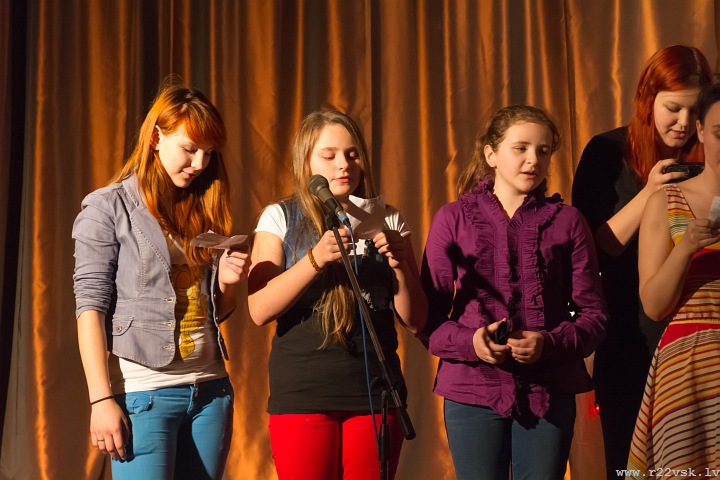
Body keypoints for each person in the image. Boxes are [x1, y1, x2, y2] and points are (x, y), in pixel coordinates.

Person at [72, 80, 250, 480]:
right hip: (144, 394)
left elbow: (217, 311)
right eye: (190, 149)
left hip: (211, 392)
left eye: (209, 153)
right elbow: (90, 309)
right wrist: (101, 399)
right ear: (156, 138)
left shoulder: (202, 209)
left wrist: (228, 282)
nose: (200, 163)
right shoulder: (108, 207)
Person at [422, 105, 608, 480]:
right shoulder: (453, 218)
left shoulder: (569, 221)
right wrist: (472, 342)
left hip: (549, 390)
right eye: (520, 148)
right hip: (471, 391)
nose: (533, 159)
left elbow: (594, 317)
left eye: (543, 150)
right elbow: (428, 320)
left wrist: (548, 343)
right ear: (491, 154)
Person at [247, 109, 427, 480]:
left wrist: (398, 265)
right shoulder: (280, 216)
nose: (344, 164)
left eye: (352, 154)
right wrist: (314, 259)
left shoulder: (388, 218)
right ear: (307, 164)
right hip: (304, 396)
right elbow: (259, 309)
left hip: (376, 395)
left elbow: (417, 320)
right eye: (329, 156)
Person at [571, 45, 712, 478]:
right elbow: (592, 248)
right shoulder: (607, 152)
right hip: (629, 336)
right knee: (629, 466)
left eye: (694, 111)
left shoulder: (709, 153)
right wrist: (651, 193)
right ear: (648, 98)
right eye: (673, 108)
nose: (683, 123)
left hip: (698, 338)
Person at [626, 83, 720, 477]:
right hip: (689, 368)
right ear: (700, 131)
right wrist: (686, 249)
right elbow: (654, 304)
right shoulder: (666, 201)